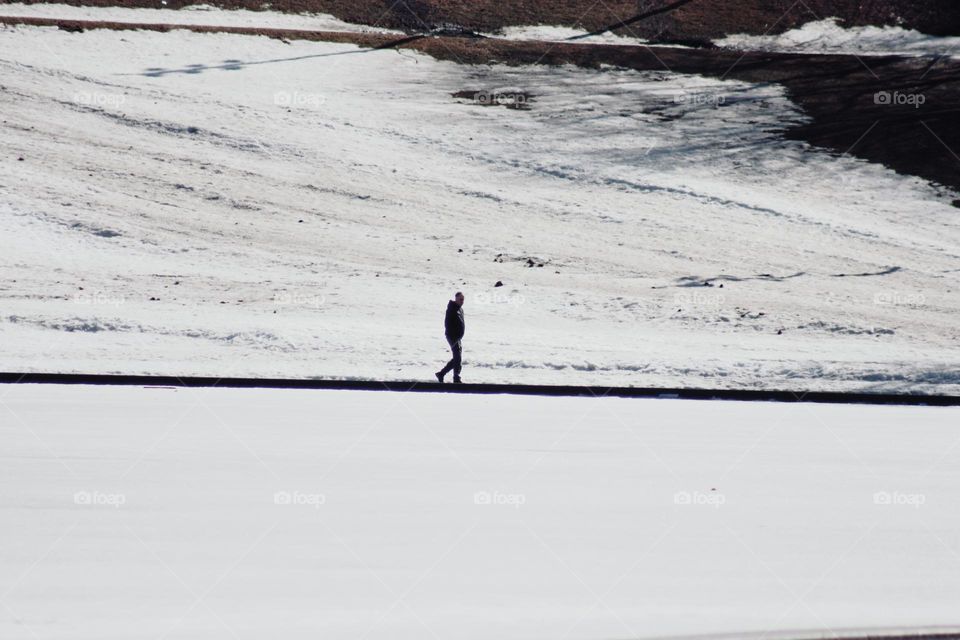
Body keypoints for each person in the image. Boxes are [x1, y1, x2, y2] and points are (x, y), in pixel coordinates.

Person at [436, 291, 465, 384]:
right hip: (452, 336)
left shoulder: (460, 309)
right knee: (457, 356)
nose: (462, 301)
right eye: (460, 299)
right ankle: (456, 378)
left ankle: (441, 374)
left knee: (457, 357)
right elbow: (447, 324)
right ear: (456, 299)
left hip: (458, 337)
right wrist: (454, 335)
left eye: (463, 299)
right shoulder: (451, 309)